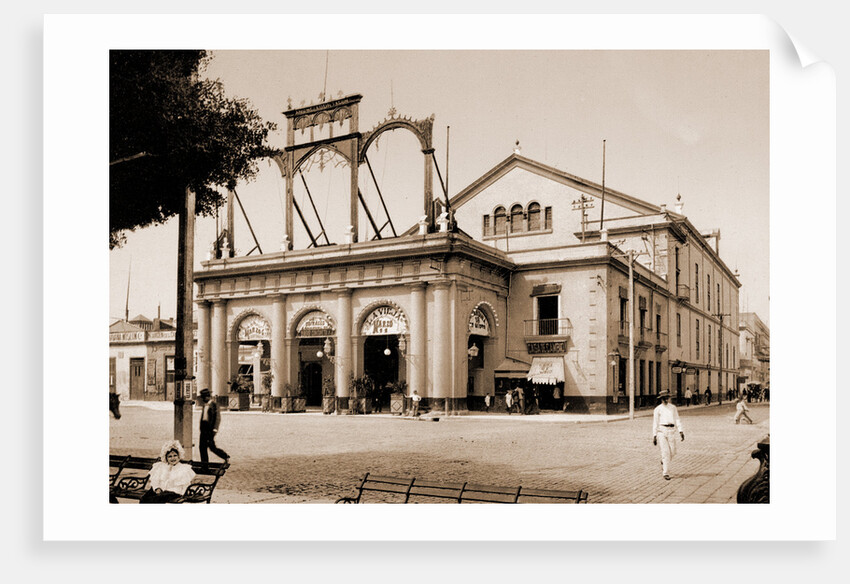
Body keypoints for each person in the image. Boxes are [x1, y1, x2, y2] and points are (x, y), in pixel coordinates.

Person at [652, 391, 684, 480]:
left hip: (671, 431)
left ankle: (663, 461)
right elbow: (655, 422)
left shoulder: (673, 408)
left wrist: (681, 431)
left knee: (673, 452)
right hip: (661, 431)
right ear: (661, 399)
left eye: (666, 398)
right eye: (663, 398)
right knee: (665, 452)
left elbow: (677, 419)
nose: (665, 400)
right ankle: (665, 473)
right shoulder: (657, 409)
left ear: (669, 398)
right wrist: (654, 435)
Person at [198, 388, 230, 465]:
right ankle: (204, 465)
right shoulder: (204, 405)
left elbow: (217, 418)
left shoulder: (214, 405)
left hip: (210, 429)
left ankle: (225, 456)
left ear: (208, 397)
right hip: (204, 429)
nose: (203, 399)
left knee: (212, 447)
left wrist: (215, 429)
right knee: (202, 447)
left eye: (204, 397)